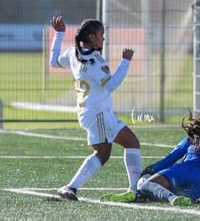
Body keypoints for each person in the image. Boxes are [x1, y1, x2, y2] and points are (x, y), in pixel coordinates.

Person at [49, 15, 141, 201]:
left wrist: (59, 34)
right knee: (103, 153)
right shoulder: (95, 61)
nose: (103, 39)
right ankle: (70, 187)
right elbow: (112, 85)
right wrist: (125, 61)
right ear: (92, 37)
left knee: (132, 143)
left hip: (96, 112)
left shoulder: (73, 53)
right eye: (101, 35)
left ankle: (134, 190)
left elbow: (53, 61)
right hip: (98, 113)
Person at [118, 110, 200, 206]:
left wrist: (149, 170)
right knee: (151, 192)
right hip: (194, 192)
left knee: (145, 185)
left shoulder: (194, 141)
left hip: (188, 170)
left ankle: (145, 194)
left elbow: (169, 160)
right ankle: (168, 197)